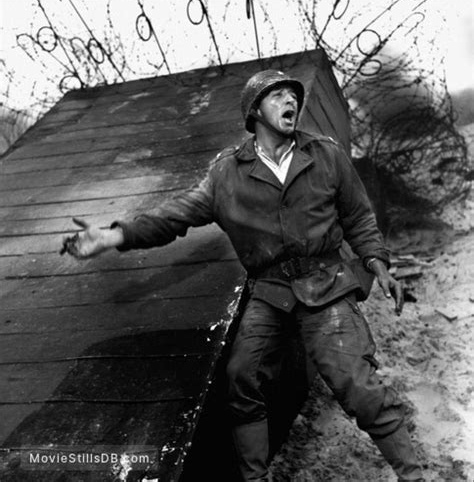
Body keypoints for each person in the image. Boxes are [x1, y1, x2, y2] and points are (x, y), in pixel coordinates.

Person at [63, 70, 424, 482]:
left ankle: (413, 475)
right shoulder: (226, 175)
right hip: (270, 292)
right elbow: (173, 217)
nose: (291, 101)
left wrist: (380, 265)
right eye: (279, 96)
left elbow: (359, 216)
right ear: (254, 111)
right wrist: (113, 236)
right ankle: (256, 478)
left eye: (294, 95)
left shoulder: (325, 155)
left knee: (355, 383)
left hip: (326, 281)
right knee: (241, 376)